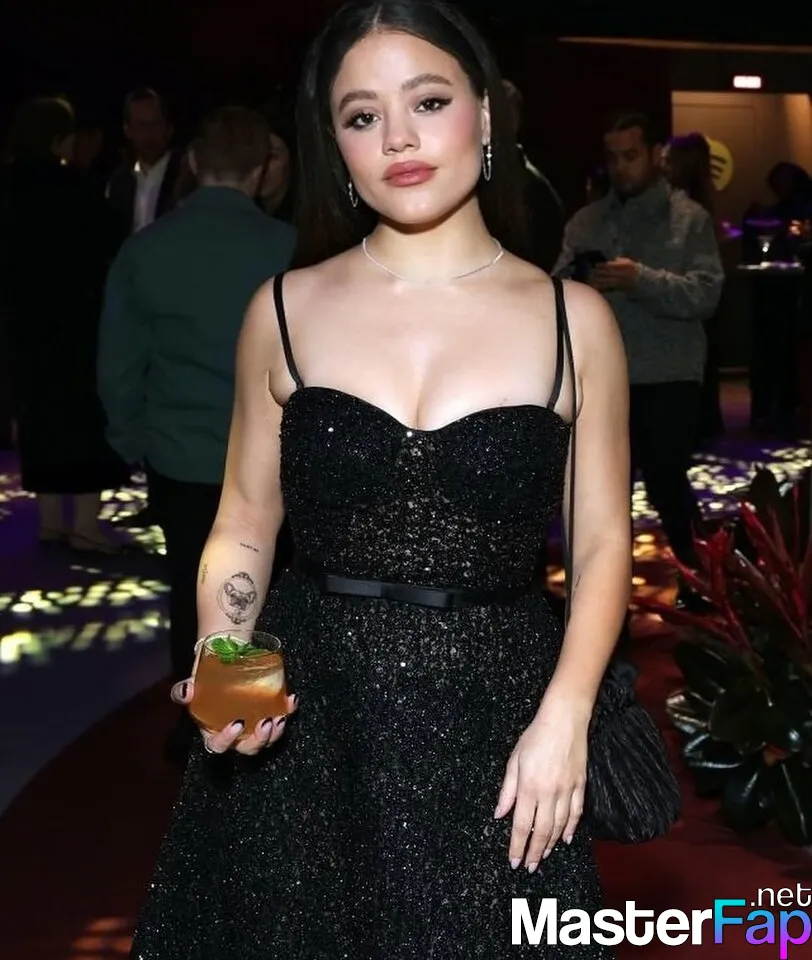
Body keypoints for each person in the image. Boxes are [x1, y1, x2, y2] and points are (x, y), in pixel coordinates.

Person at [129, 1, 631, 957]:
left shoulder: (576, 322)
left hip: (499, 720)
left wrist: (566, 716)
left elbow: (603, 542)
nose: (398, 137)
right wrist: (226, 662)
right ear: (336, 145)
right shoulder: (284, 309)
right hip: (311, 723)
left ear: (486, 113)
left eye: (428, 101)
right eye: (362, 116)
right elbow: (244, 522)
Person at [98, 106, 296, 762]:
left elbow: (118, 362)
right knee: (270, 597)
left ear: (190, 161)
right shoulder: (291, 249)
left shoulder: (147, 248)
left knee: (195, 591)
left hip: (181, 455)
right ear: (262, 169)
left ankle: (205, 730)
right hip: (275, 461)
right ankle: (261, 731)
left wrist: (131, 438)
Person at [0, 96, 130, 552]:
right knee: (85, 422)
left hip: (24, 326)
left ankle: (52, 521)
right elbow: (111, 244)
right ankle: (86, 526)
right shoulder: (76, 189)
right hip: (77, 325)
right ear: (61, 139)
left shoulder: (9, 189)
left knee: (40, 418)